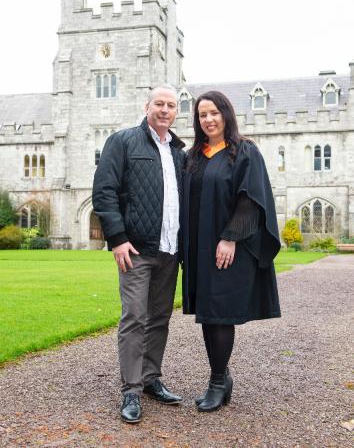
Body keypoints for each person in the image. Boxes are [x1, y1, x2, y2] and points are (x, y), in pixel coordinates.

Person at [182, 90, 281, 413]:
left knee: (220, 313)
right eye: (202, 115)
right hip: (199, 247)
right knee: (208, 315)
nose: (208, 119)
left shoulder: (244, 152)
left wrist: (230, 238)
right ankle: (222, 378)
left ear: (226, 114)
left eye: (214, 113)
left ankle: (216, 381)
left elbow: (251, 200)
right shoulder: (195, 156)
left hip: (226, 247)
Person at [92, 85, 185, 423]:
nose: (164, 110)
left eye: (171, 105)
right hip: (136, 249)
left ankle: (150, 379)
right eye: (158, 104)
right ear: (147, 106)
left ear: (177, 111)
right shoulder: (123, 141)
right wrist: (116, 238)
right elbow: (104, 190)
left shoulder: (178, 151)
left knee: (160, 318)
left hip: (170, 250)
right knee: (134, 317)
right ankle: (130, 389)